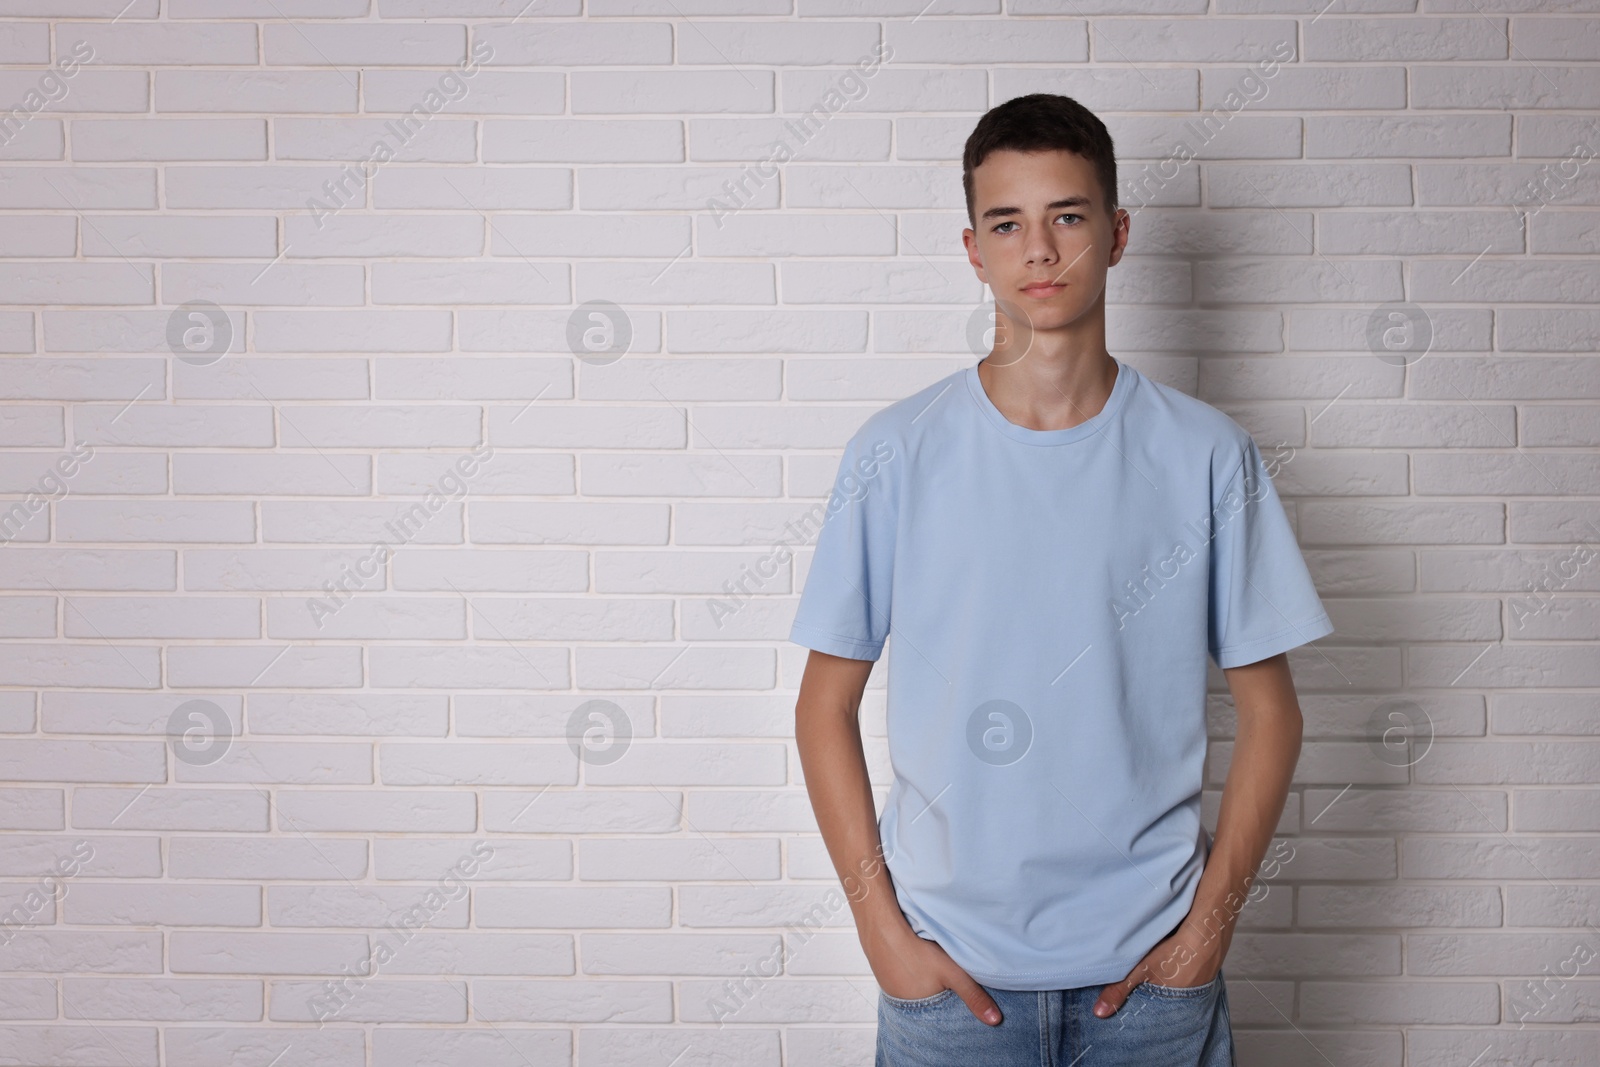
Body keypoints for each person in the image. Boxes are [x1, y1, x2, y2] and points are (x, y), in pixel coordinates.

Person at [789, 93, 1335, 1066]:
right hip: (948, 990)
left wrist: (1206, 931)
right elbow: (822, 706)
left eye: (1067, 217)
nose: (1038, 250)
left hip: (1153, 992)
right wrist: (884, 937)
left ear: (1117, 234)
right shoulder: (895, 453)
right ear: (973, 248)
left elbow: (1273, 712)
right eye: (1008, 223)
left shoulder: (1209, 455)